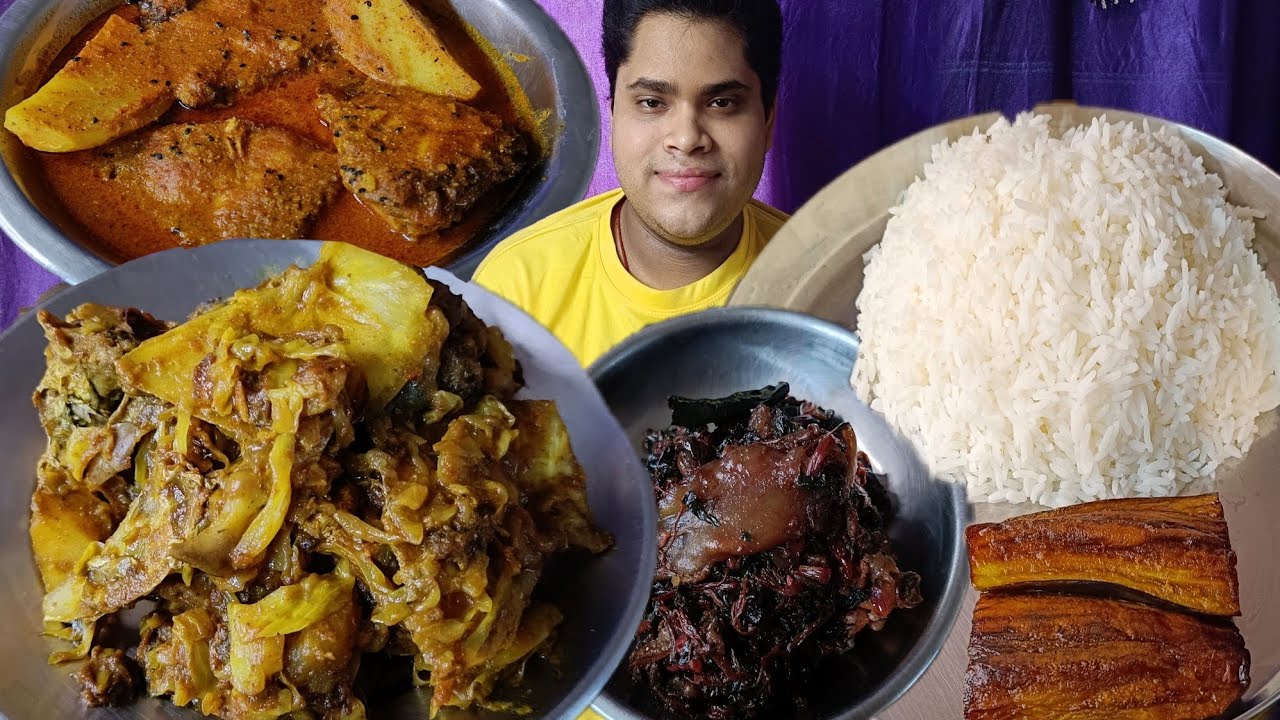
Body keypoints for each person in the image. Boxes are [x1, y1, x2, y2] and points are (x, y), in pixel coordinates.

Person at [472, 0, 787, 367]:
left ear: (768, 120)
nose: (686, 139)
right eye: (652, 102)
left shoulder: (828, 283)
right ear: (613, 113)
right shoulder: (515, 289)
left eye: (722, 103)